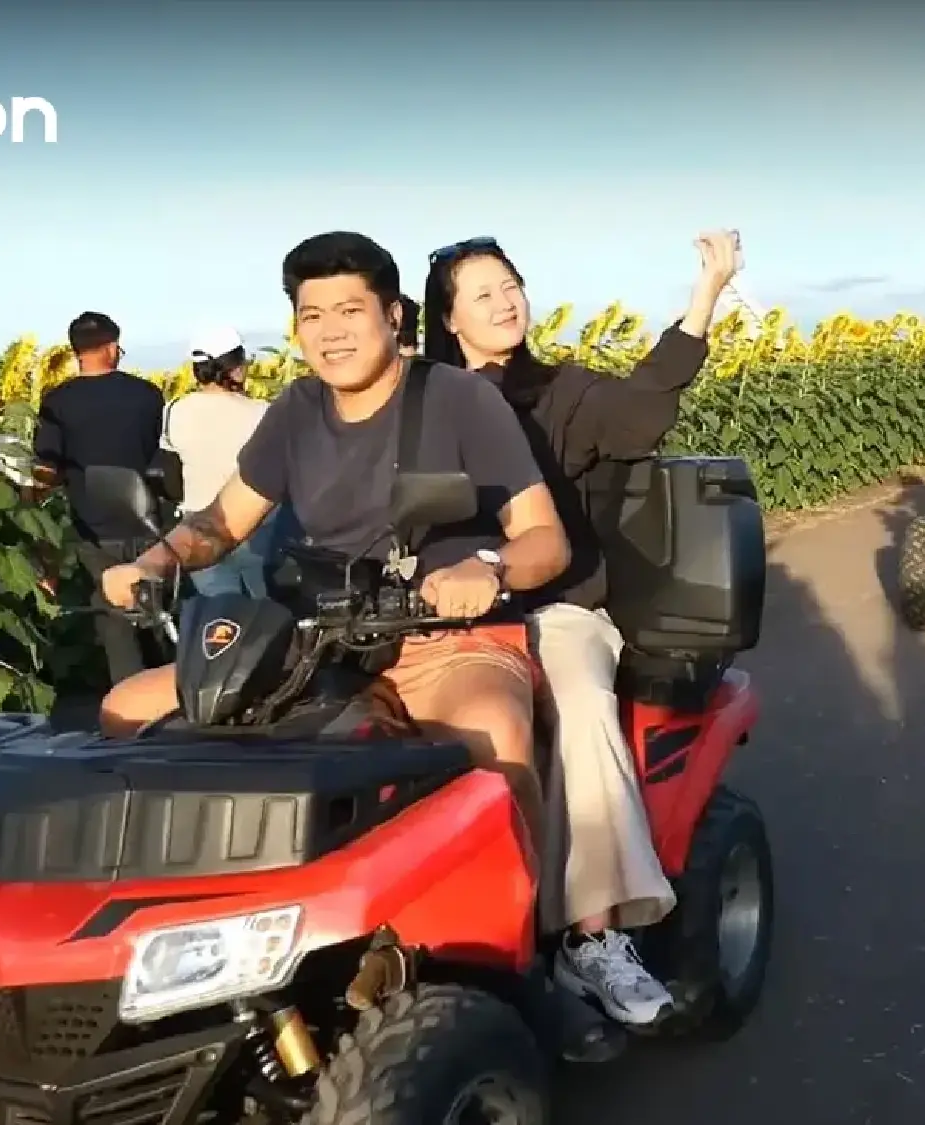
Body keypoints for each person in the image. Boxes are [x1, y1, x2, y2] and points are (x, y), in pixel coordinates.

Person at [97, 229, 570, 869]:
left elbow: (544, 539)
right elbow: (222, 522)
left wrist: (486, 568)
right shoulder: (296, 408)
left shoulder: (461, 398)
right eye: (312, 316)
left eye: (350, 310)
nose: (330, 333)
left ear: (393, 316)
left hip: (446, 643)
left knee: (495, 735)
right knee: (126, 709)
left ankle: (535, 913)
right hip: (319, 644)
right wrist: (152, 562)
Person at [421, 229, 740, 1027]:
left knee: (580, 701)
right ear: (448, 319)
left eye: (511, 285)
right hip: (432, 615)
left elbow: (640, 415)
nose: (506, 302)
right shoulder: (419, 404)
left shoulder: (563, 392)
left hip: (551, 608)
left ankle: (592, 937)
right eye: (483, 293)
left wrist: (703, 299)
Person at [32, 311, 168, 684]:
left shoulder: (57, 401)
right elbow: (163, 454)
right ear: (111, 348)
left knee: (114, 618)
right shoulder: (147, 394)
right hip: (148, 521)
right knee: (156, 612)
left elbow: (46, 468)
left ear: (76, 351)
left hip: (92, 528)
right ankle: (167, 693)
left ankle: (128, 696)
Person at [162, 326, 282, 598]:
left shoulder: (174, 410)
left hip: (199, 526)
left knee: (216, 613)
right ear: (235, 369)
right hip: (258, 527)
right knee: (264, 611)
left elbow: (171, 469)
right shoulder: (263, 413)